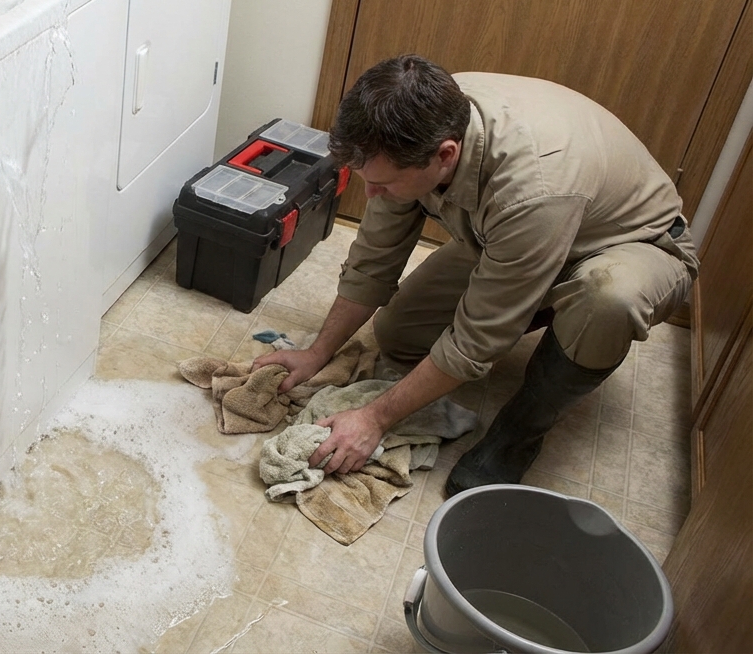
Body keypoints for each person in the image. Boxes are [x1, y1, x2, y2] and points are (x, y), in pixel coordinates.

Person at [253, 54, 699, 496]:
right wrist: (318, 353)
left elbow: (475, 342)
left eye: (383, 184)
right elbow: (374, 259)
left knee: (607, 298)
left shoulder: (532, 190)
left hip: (632, 245)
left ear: (445, 155)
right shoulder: (415, 121)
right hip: (522, 238)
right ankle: (537, 300)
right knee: (398, 334)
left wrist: (374, 418)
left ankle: (519, 433)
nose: (371, 193)